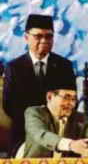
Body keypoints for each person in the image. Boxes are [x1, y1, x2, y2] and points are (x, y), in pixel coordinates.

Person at [3, 14, 76, 155]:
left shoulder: (64, 66)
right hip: (24, 135)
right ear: (26, 38)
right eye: (38, 36)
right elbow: (10, 106)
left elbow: (71, 103)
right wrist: (37, 125)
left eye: (49, 36)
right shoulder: (14, 67)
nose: (44, 41)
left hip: (58, 134)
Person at [23, 79, 88, 158]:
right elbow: (42, 135)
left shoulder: (79, 118)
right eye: (66, 98)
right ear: (49, 97)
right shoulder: (34, 113)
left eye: (73, 99)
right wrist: (70, 144)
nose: (71, 104)